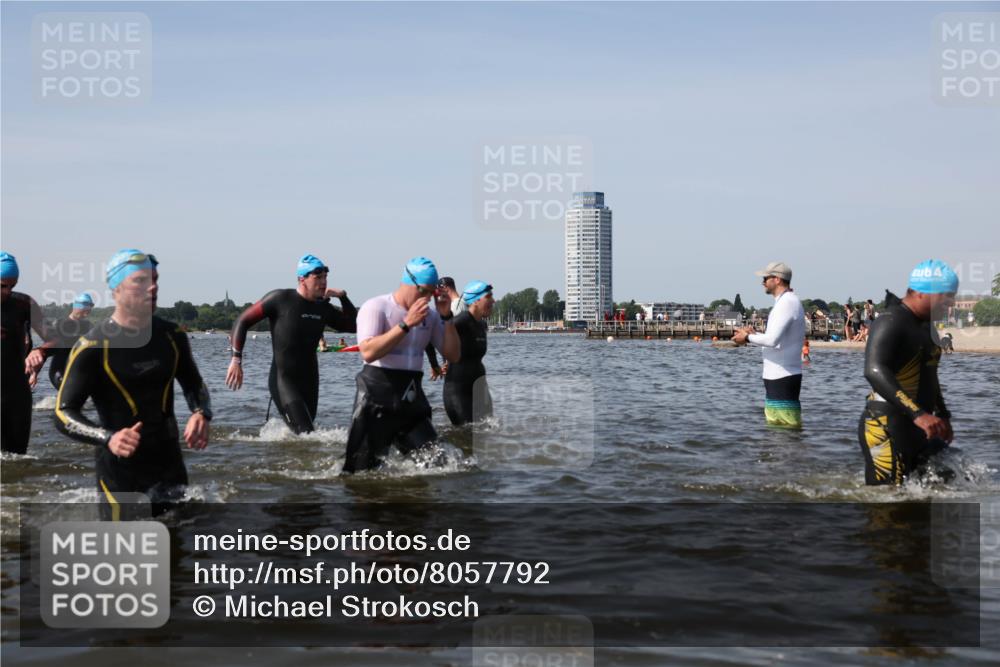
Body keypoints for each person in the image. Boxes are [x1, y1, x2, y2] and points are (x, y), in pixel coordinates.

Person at [55, 250, 211, 514]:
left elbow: (194, 384)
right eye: (140, 280)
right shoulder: (94, 346)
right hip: (120, 470)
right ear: (116, 289)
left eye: (155, 279)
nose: (152, 286)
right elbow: (63, 413)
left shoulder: (172, 336)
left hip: (169, 463)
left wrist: (201, 412)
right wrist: (108, 437)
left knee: (177, 548)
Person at [341, 257, 460, 473]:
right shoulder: (376, 307)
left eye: (432, 293)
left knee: (441, 466)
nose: (426, 297)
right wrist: (406, 324)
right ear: (409, 282)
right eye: (424, 291)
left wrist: (447, 317)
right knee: (359, 476)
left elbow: (453, 355)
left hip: (410, 403)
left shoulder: (431, 316)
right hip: (375, 403)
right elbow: (368, 352)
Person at [227, 254, 357, 434]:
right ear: (302, 279)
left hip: (310, 381)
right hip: (284, 381)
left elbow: (353, 326)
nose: (323, 282)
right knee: (307, 434)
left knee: (306, 436)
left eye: (325, 277)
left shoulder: (324, 308)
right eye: (318, 277)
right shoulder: (280, 299)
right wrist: (236, 360)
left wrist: (343, 297)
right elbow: (242, 321)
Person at [858, 260, 958, 486]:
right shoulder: (890, 321)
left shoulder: (926, 328)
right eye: (946, 296)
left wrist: (943, 415)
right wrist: (918, 414)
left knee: (935, 491)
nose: (951, 303)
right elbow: (874, 370)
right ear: (922, 292)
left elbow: (931, 375)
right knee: (889, 510)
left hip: (920, 426)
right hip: (886, 426)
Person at [732, 261, 806, 428]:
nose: (762, 282)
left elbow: (772, 341)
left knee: (785, 429)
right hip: (779, 375)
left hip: (783, 375)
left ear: (777, 279)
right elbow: (776, 338)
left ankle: (789, 454)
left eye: (766, 278)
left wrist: (747, 338)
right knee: (778, 429)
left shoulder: (787, 303)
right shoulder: (785, 302)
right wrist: (753, 334)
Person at [1, 252, 54, 453]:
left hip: (16, 395)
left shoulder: (23, 304)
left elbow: (57, 339)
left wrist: (41, 351)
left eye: (12, 286)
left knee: (17, 459)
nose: (7, 292)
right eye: (2, 286)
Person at [444, 281, 495, 425]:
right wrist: (437, 364)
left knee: (488, 433)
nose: (493, 300)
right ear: (476, 300)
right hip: (459, 392)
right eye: (489, 297)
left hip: (480, 389)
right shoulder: (462, 320)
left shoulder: (482, 325)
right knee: (468, 438)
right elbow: (437, 335)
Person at [28, 292, 95, 390]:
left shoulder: (88, 326)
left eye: (89, 310)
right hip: (59, 370)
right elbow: (46, 351)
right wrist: (34, 373)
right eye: (85, 310)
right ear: (76, 307)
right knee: (71, 391)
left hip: (79, 370)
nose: (87, 313)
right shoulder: (60, 325)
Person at [426, 276, 466, 380]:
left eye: (439, 290)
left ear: (446, 288)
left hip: (456, 364)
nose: (437, 294)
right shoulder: (462, 304)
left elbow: (453, 333)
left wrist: (448, 363)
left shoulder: (455, 306)